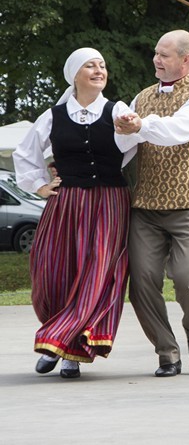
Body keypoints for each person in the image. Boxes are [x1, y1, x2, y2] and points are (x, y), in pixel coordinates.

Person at [13, 47, 132, 379]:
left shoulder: (117, 109)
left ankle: (66, 350)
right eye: (90, 65)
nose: (98, 70)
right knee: (52, 270)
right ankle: (57, 332)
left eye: (102, 65)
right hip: (66, 203)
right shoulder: (53, 115)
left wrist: (130, 128)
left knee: (96, 273)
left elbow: (134, 143)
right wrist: (39, 186)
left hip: (109, 202)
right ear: (74, 74)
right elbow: (25, 154)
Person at [114, 30, 189, 377]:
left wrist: (139, 125)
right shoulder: (141, 97)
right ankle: (167, 351)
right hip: (145, 206)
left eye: (164, 55)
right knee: (142, 281)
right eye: (156, 53)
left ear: (185, 60)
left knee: (187, 276)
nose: (156, 60)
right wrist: (122, 129)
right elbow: (122, 146)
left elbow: (177, 131)